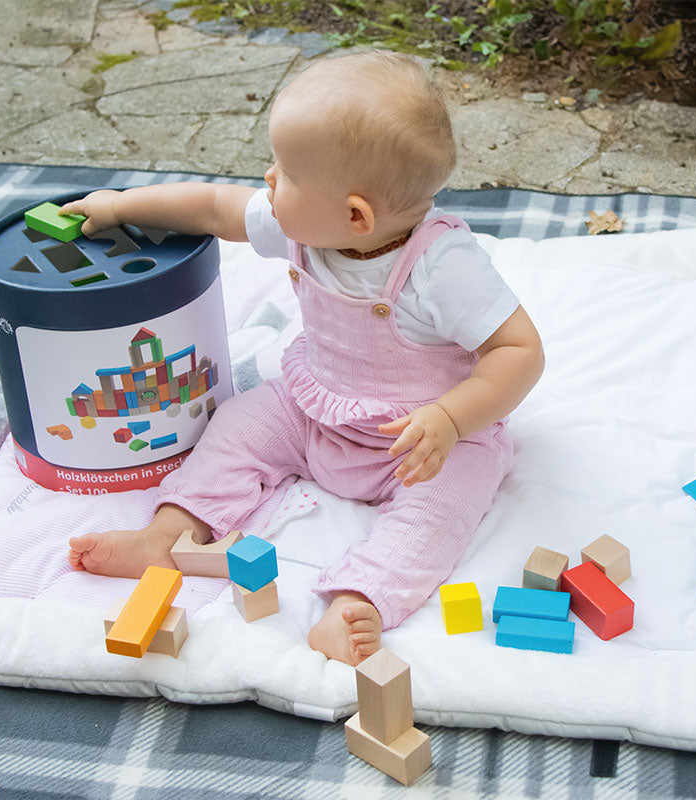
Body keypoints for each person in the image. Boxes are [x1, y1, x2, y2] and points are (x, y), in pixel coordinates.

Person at [63, 51, 544, 665]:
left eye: (286, 171)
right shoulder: (305, 220)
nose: (268, 178)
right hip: (313, 407)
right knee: (235, 427)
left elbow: (519, 349)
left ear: (355, 215)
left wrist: (452, 419)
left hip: (419, 446)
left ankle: (358, 601)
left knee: (443, 509)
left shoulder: (441, 267)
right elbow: (213, 208)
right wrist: (121, 206)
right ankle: (168, 535)